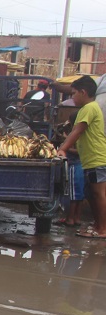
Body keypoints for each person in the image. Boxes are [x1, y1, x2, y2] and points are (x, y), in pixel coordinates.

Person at [55, 75, 106, 238]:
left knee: (98, 194)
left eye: (74, 93)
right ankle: (98, 226)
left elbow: (77, 131)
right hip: (92, 159)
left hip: (97, 158)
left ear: (83, 92)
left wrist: (62, 149)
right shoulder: (90, 108)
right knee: (91, 194)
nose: (72, 97)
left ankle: (102, 229)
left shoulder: (89, 108)